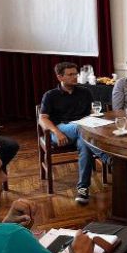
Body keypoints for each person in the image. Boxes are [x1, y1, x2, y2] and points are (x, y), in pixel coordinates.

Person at [38, 61, 107, 204]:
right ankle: (106, 158)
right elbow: (42, 119)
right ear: (60, 77)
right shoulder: (50, 95)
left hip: (82, 131)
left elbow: (91, 112)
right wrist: (57, 132)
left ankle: (83, 190)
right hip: (61, 131)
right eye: (70, 75)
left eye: (75, 74)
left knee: (85, 145)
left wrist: (95, 116)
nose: (75, 77)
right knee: (81, 128)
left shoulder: (85, 92)